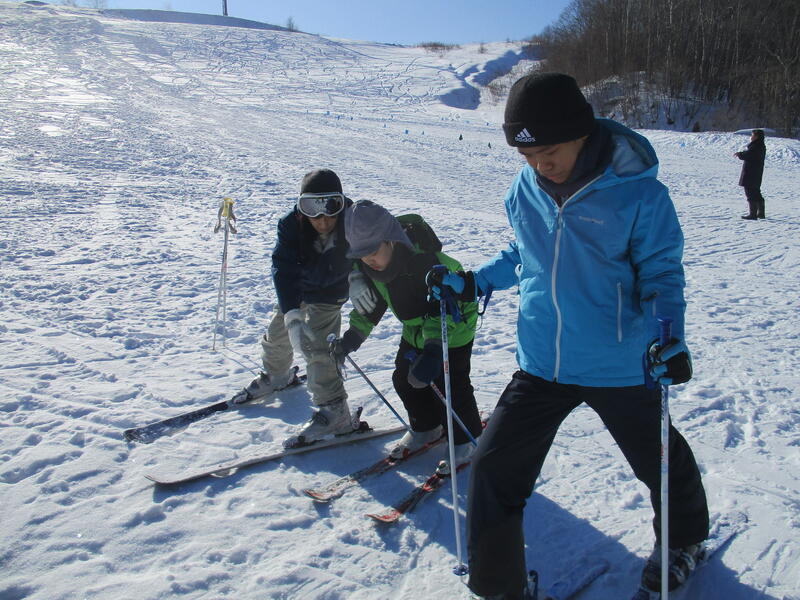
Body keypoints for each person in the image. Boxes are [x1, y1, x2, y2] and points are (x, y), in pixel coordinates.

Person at [430, 73, 710, 599]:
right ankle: (500, 588)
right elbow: (524, 253)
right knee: (492, 469)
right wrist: (473, 282)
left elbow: (662, 273)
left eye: (550, 152)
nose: (541, 165)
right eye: (527, 155)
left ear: (582, 133)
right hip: (543, 363)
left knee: (660, 461)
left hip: (620, 363)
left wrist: (668, 336)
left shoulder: (640, 195)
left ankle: (684, 540)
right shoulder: (524, 189)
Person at [331, 200, 483, 471]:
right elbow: (371, 305)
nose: (369, 260)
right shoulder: (373, 268)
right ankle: (427, 427)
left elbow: (444, 308)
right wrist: (353, 336)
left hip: (453, 326)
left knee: (450, 386)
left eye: (373, 252)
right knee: (403, 379)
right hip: (415, 328)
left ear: (390, 240)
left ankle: (466, 440)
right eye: (361, 255)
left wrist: (434, 349)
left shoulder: (427, 264)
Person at [233, 168, 358, 448]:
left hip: (332, 291)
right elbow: (283, 267)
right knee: (279, 332)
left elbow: (369, 250)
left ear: (341, 203)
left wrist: (361, 278)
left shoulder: (353, 220)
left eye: (331, 207)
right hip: (301, 287)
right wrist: (291, 313)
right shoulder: (291, 224)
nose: (322, 219)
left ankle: (335, 409)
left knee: (319, 345)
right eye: (312, 208)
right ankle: (277, 374)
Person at [735, 129, 767, 219]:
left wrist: (740, 154)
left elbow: (748, 155)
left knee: (750, 193)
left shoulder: (755, 146)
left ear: (756, 136)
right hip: (756, 172)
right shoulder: (760, 145)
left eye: (752, 135)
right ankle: (761, 213)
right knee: (756, 192)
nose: (751, 137)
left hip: (751, 173)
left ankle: (753, 214)